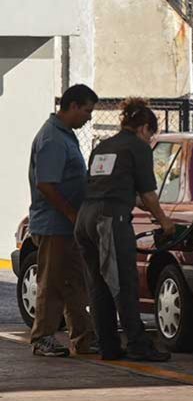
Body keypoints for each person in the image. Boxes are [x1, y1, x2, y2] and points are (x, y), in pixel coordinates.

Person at [75, 98, 174, 362]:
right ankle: (139, 345)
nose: (149, 139)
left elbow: (121, 190)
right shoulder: (138, 148)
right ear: (143, 128)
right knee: (123, 282)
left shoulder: (104, 146)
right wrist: (165, 222)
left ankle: (108, 345)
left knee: (98, 284)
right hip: (109, 219)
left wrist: (148, 206)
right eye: (150, 134)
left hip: (85, 218)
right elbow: (148, 195)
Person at [29, 84, 99, 357]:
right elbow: (46, 184)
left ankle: (83, 337)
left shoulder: (65, 136)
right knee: (53, 282)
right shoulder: (53, 139)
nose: (89, 117)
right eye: (87, 110)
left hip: (67, 226)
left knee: (73, 282)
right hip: (55, 225)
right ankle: (42, 338)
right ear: (72, 106)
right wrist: (70, 213)